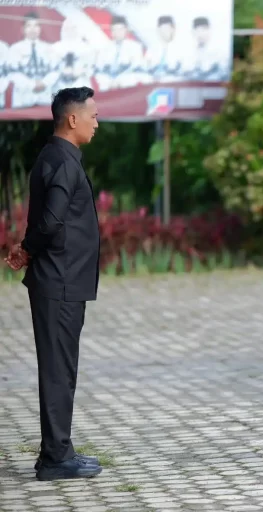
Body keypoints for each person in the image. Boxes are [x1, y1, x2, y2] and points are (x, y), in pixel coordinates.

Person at [4, 87, 103, 481]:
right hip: (58, 282)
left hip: (62, 281)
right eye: (93, 115)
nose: (97, 122)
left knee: (61, 369)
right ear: (72, 119)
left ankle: (58, 451)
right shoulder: (62, 162)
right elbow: (50, 221)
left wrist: (27, 250)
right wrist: (27, 250)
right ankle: (56, 458)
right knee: (59, 370)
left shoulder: (58, 156)